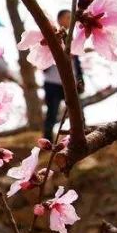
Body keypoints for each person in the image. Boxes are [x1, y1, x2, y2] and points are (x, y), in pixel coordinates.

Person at [42, 10, 85, 142]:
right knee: (52, 113)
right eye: (67, 17)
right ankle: (48, 139)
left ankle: (83, 135)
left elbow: (76, 64)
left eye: (71, 17)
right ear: (59, 20)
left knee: (78, 111)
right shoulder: (52, 36)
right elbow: (44, 61)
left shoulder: (73, 38)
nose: (70, 19)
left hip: (70, 82)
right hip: (52, 83)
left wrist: (80, 80)